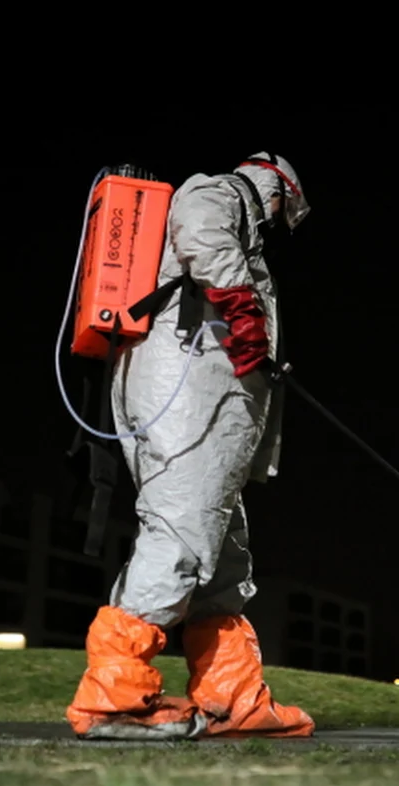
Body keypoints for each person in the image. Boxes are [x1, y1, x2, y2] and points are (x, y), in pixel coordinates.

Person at [65, 152, 315, 740]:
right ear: (277, 189)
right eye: (284, 207)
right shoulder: (223, 192)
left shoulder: (244, 225)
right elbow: (199, 224)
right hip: (191, 398)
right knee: (180, 533)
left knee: (221, 555)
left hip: (199, 401)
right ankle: (113, 698)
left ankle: (233, 700)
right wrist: (244, 309)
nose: (279, 219)